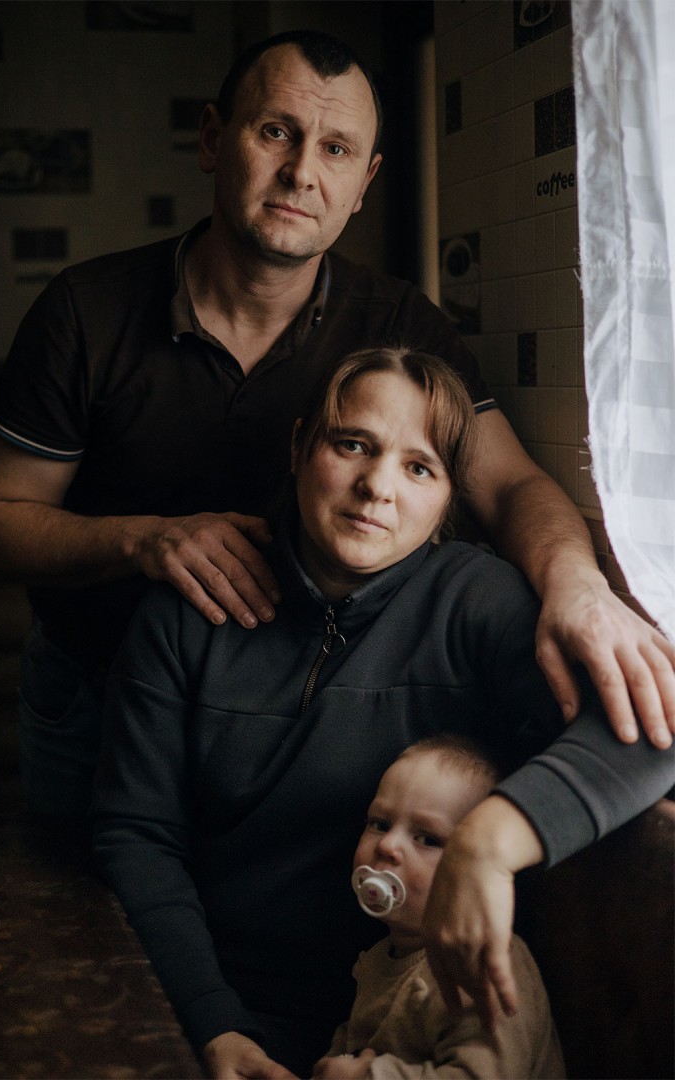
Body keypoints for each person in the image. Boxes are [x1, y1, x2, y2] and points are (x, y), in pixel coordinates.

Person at [0, 30, 674, 823]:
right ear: (211, 138)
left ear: (365, 182)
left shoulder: (401, 322)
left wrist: (578, 587)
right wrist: (145, 540)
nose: (302, 172)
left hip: (286, 713)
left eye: (337, 150)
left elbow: (509, 488)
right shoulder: (83, 311)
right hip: (93, 695)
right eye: (276, 132)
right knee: (97, 930)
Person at [92, 347, 674, 1080]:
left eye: (418, 467)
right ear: (301, 446)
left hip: (409, 1032)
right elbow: (138, 834)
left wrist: (490, 841)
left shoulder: (475, 601)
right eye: (352, 445)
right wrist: (213, 1024)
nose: (376, 488)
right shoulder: (186, 610)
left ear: (446, 498)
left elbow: (654, 734)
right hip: (219, 1011)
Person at [312, 735, 565, 1080]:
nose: (387, 845)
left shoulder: (485, 963)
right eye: (380, 824)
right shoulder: (382, 957)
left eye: (428, 839)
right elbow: (358, 1042)